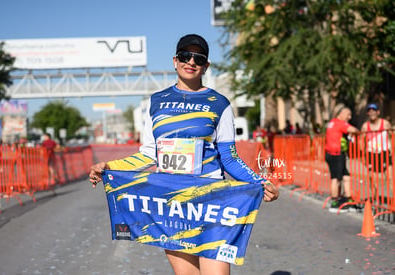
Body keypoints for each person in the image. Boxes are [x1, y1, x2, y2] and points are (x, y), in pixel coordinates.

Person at [89, 34, 279, 275]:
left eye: (198, 58)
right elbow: (148, 155)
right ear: (175, 61)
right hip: (173, 204)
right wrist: (109, 166)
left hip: (212, 202)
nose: (191, 61)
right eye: (185, 56)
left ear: (206, 65)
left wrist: (260, 183)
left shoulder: (219, 103)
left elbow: (229, 158)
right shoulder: (156, 102)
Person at [324, 107, 358, 213]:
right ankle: (335, 202)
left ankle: (348, 198)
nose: (349, 117)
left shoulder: (332, 122)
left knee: (346, 176)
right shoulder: (340, 123)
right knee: (336, 178)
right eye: (348, 115)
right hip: (336, 153)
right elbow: (353, 130)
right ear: (342, 114)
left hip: (331, 153)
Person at [360, 103, 393, 200]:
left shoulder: (385, 123)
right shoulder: (365, 126)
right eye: (369, 111)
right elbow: (362, 141)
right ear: (367, 113)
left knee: (390, 178)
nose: (372, 113)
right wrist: (363, 155)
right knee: (372, 178)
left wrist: (392, 149)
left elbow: (391, 136)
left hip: (384, 153)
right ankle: (374, 198)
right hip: (371, 154)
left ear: (378, 112)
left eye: (373, 110)